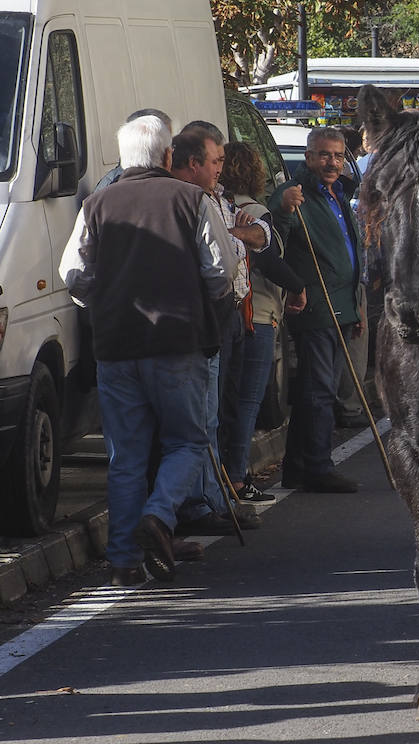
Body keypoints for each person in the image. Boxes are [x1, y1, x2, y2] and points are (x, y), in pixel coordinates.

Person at [57, 115, 233, 585]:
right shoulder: (192, 198)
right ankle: (158, 515)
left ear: (122, 157)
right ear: (168, 156)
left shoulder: (97, 203)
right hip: (177, 343)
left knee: (126, 456)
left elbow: (72, 273)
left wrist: (107, 299)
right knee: (188, 440)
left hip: (116, 347)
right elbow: (221, 271)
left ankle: (122, 561)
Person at [168, 124, 264, 536]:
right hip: (200, 318)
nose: (220, 170)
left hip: (226, 314)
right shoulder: (188, 199)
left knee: (214, 412)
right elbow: (220, 259)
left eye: (223, 161)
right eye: (215, 161)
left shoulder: (216, 197)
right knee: (197, 420)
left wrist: (238, 237)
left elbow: (259, 237)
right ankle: (194, 504)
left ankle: (210, 496)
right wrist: (235, 241)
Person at [268, 127, 363, 493]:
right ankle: (318, 466)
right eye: (324, 155)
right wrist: (282, 207)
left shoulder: (339, 193)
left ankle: (297, 467)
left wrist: (356, 307)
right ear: (308, 157)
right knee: (319, 390)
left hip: (343, 306)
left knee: (317, 388)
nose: (332, 162)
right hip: (317, 306)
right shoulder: (296, 193)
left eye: (338, 156)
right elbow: (277, 230)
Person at [219, 141, 308, 503]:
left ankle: (226, 474)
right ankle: (236, 476)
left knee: (228, 399)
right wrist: (299, 287)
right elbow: (270, 259)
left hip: (234, 313)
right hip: (257, 313)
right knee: (247, 400)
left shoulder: (221, 207)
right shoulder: (254, 211)